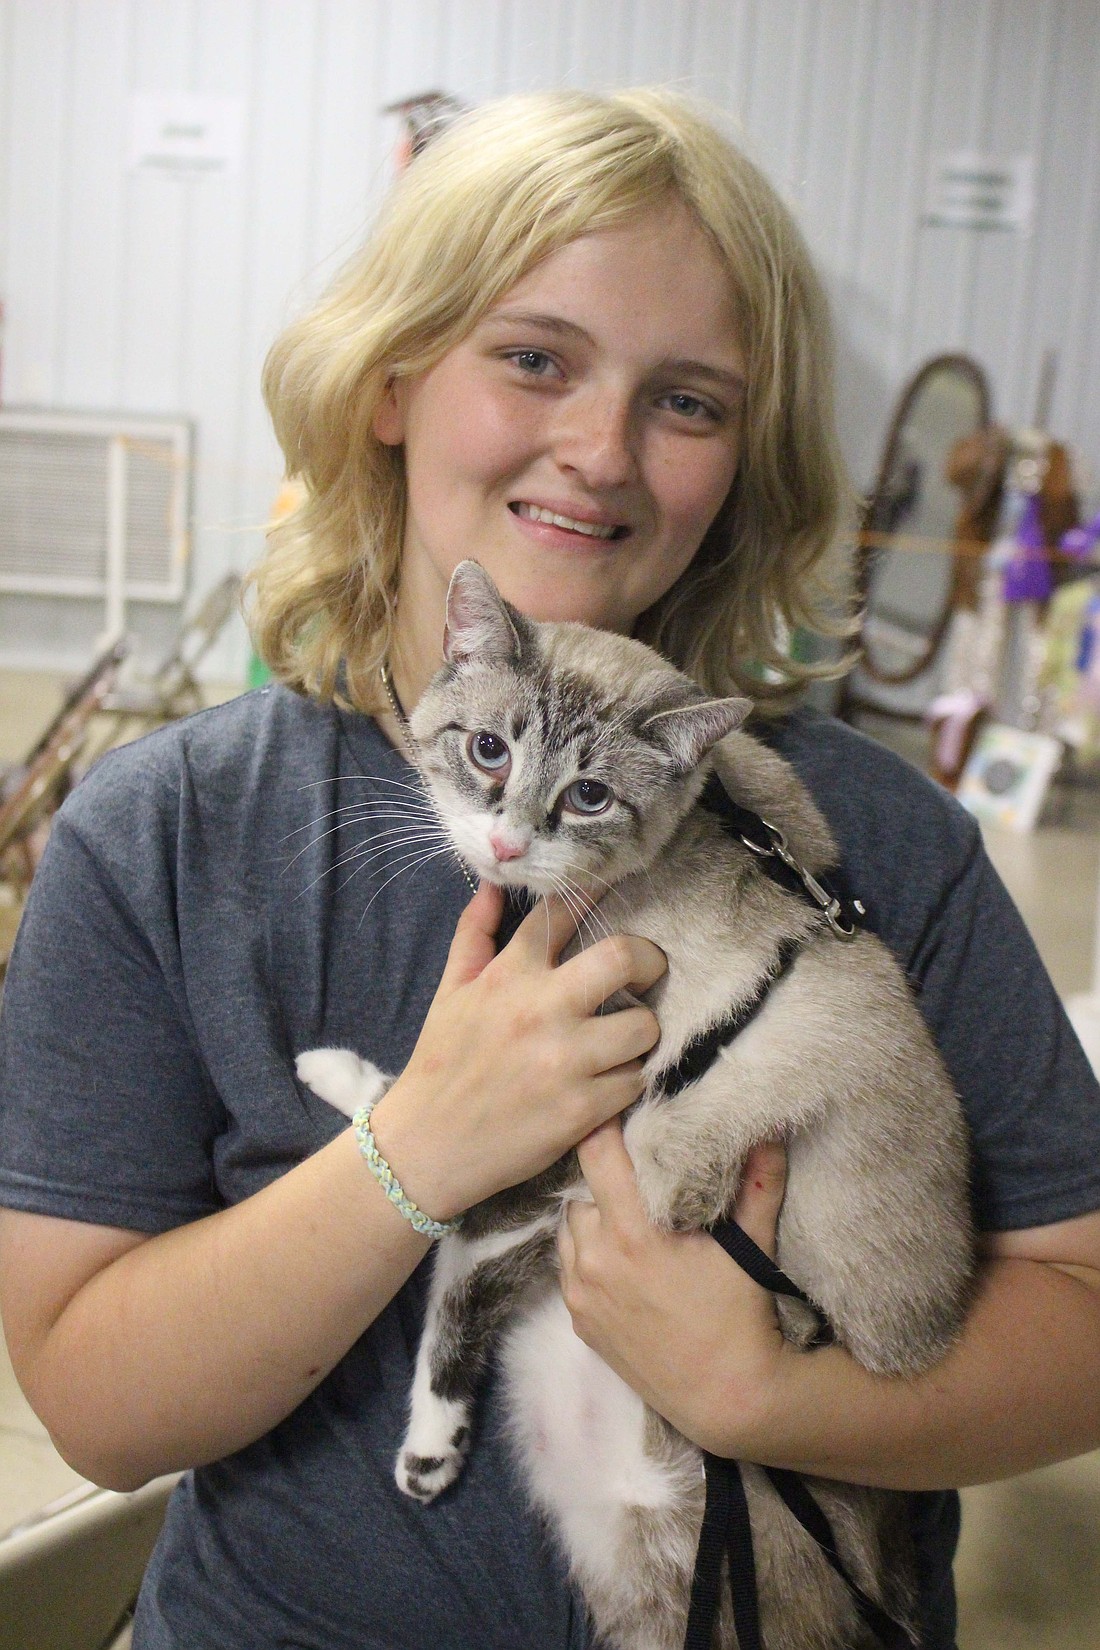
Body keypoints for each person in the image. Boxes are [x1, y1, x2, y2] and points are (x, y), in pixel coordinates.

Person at [1, 88, 1099, 1650]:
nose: (599, 453)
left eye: (691, 401)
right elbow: (97, 1407)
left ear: (744, 460)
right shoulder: (164, 837)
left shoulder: (869, 838)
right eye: (533, 359)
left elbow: (1083, 1305)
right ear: (390, 379)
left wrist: (769, 1392)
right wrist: (414, 1152)